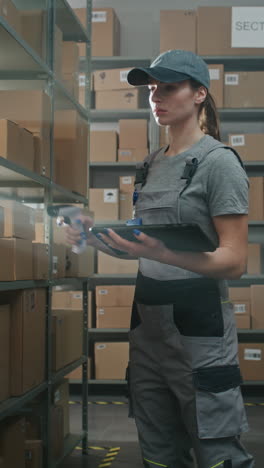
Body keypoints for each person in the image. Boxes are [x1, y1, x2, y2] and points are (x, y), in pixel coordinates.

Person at [65, 50, 254, 468]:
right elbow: (143, 244)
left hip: (198, 330)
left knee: (217, 451)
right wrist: (93, 237)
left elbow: (234, 260)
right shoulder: (148, 166)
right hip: (147, 326)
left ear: (199, 94)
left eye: (169, 88)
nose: (157, 97)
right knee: (158, 451)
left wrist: (164, 253)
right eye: (152, 89)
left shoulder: (218, 163)